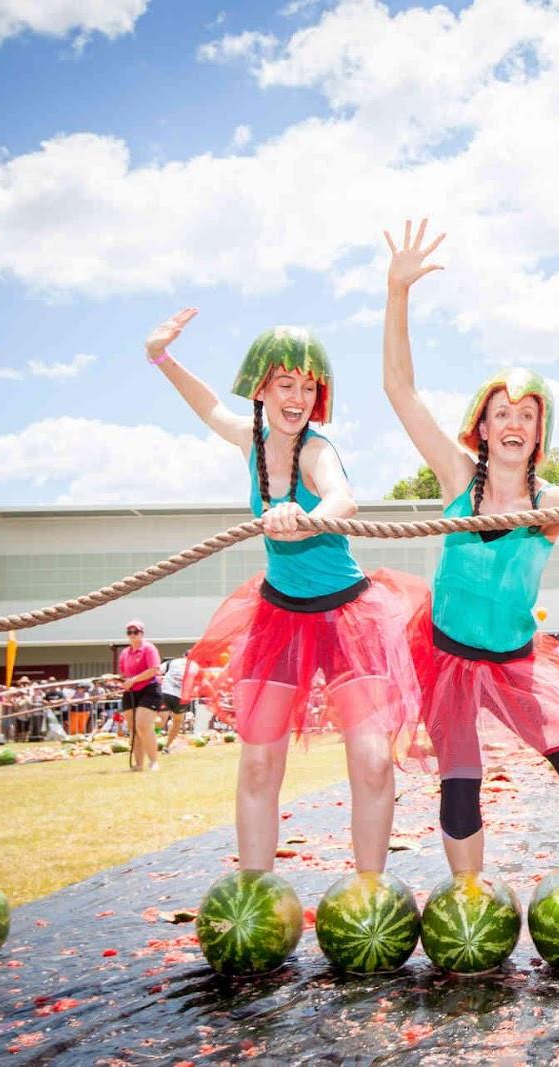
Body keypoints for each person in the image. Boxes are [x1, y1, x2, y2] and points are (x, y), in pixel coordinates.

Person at [383, 219, 559, 887]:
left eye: (527, 413)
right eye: (502, 413)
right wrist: (397, 291)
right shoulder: (456, 480)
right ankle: (468, 895)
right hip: (450, 656)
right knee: (459, 779)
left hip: (518, 660)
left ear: (539, 429)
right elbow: (400, 392)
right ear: (483, 427)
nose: (514, 423)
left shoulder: (554, 502)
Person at [151, 308, 422, 877]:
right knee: (257, 766)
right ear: (263, 389)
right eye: (285, 384)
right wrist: (161, 356)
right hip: (279, 617)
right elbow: (207, 405)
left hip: (349, 616)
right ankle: (256, 893)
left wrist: (308, 516)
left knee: (372, 762)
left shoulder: (317, 449)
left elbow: (343, 499)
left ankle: (369, 891)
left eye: (306, 386)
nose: (297, 396)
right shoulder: (248, 439)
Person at [117, 620, 163, 772]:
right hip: (131, 692)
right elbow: (123, 673)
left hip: (149, 689)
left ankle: (154, 761)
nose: (132, 635)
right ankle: (138, 764)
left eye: (135, 632)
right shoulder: (125, 653)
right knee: (133, 729)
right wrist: (120, 681)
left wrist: (133, 680)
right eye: (129, 632)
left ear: (142, 633)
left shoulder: (149, 648)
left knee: (143, 725)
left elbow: (154, 669)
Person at [158, 656, 189, 752]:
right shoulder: (196, 666)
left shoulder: (172, 662)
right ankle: (167, 747)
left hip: (166, 692)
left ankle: (148, 739)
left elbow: (157, 671)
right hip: (182, 697)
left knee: (161, 720)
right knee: (177, 721)